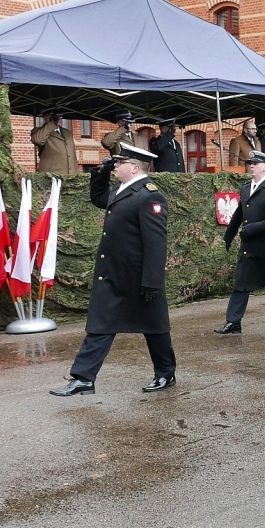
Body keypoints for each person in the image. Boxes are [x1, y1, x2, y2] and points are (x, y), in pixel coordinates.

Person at [50, 144, 177, 396]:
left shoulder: (150, 196)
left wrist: (152, 281)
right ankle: (83, 378)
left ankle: (165, 373)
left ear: (134, 167)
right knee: (101, 324)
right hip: (113, 274)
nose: (115, 165)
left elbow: (156, 243)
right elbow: (99, 198)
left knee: (154, 326)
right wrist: (102, 172)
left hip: (138, 276)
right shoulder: (122, 190)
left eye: (119, 163)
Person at [216, 150, 265, 335]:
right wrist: (229, 235)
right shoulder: (246, 187)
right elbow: (240, 213)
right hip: (249, 245)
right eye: (250, 163)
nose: (251, 166)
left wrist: (253, 228)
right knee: (241, 282)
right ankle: (233, 321)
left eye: (255, 164)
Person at [30, 108, 78, 173]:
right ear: (46, 118)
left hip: (70, 176)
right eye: (55, 117)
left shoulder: (67, 133)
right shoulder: (39, 131)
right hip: (51, 176)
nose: (59, 118)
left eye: (60, 116)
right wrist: (51, 124)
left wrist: (76, 174)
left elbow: (73, 156)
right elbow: (37, 140)